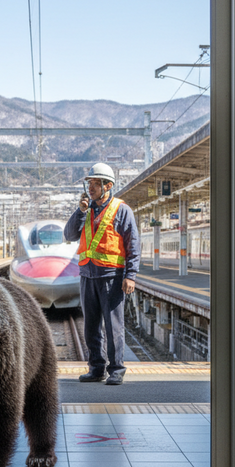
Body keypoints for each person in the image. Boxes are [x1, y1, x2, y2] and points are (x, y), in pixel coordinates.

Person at [64, 162, 141, 385]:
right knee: (91, 327)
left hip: (112, 277)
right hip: (87, 275)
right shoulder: (85, 210)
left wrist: (130, 275)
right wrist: (80, 212)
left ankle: (116, 369)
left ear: (108, 186)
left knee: (113, 326)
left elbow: (133, 244)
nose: (90, 188)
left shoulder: (122, 210)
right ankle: (96, 368)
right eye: (89, 183)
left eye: (95, 184)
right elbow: (69, 235)